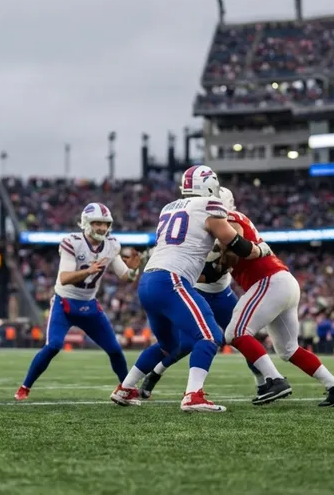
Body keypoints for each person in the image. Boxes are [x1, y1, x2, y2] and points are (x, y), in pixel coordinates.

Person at [109, 165, 273, 412]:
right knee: (210, 336)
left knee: (168, 344)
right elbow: (235, 243)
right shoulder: (210, 205)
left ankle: (125, 388)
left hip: (148, 280)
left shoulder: (169, 208)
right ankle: (193, 396)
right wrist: (260, 250)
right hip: (171, 278)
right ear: (209, 185)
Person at [220, 188, 334, 406]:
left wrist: (217, 256)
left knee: (235, 332)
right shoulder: (236, 218)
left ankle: (275, 380)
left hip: (269, 281)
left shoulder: (230, 219)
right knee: (289, 349)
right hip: (282, 281)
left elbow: (235, 250)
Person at [15, 203, 138, 401]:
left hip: (89, 304)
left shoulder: (112, 245)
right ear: (86, 223)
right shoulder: (73, 242)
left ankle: (126, 388)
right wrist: (87, 271)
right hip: (64, 304)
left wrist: (133, 270)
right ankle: (25, 386)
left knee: (114, 349)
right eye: (97, 223)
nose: (101, 228)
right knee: (53, 345)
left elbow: (126, 276)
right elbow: (64, 277)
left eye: (105, 224)